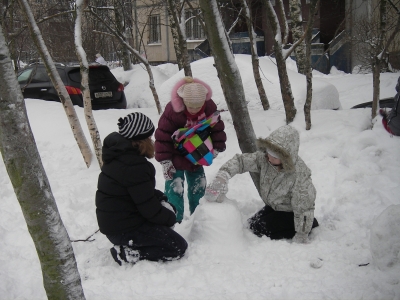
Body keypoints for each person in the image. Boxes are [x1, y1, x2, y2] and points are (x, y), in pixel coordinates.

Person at [95, 112, 188, 266]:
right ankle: (126, 254)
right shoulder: (135, 166)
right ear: (141, 141)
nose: (152, 141)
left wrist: (162, 199)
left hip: (118, 224)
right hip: (124, 230)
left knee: (163, 226)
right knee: (177, 246)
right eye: (149, 138)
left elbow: (140, 193)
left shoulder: (121, 157)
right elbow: (148, 209)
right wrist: (170, 217)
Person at [205, 125, 318, 243]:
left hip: (291, 212)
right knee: (251, 224)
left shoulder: (299, 175)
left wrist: (302, 234)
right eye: (268, 151)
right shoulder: (265, 159)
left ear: (286, 157)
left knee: (258, 229)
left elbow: (305, 207)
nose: (269, 157)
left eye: (275, 156)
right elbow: (241, 161)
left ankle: (309, 225)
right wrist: (223, 176)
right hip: (275, 207)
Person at [155, 76, 227, 223]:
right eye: (191, 107)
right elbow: (163, 135)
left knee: (198, 186)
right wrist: (165, 161)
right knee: (175, 189)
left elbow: (217, 127)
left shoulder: (209, 108)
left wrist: (217, 146)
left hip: (197, 152)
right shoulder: (173, 110)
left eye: (198, 107)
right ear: (183, 102)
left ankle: (199, 218)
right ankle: (173, 219)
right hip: (175, 154)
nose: (194, 110)